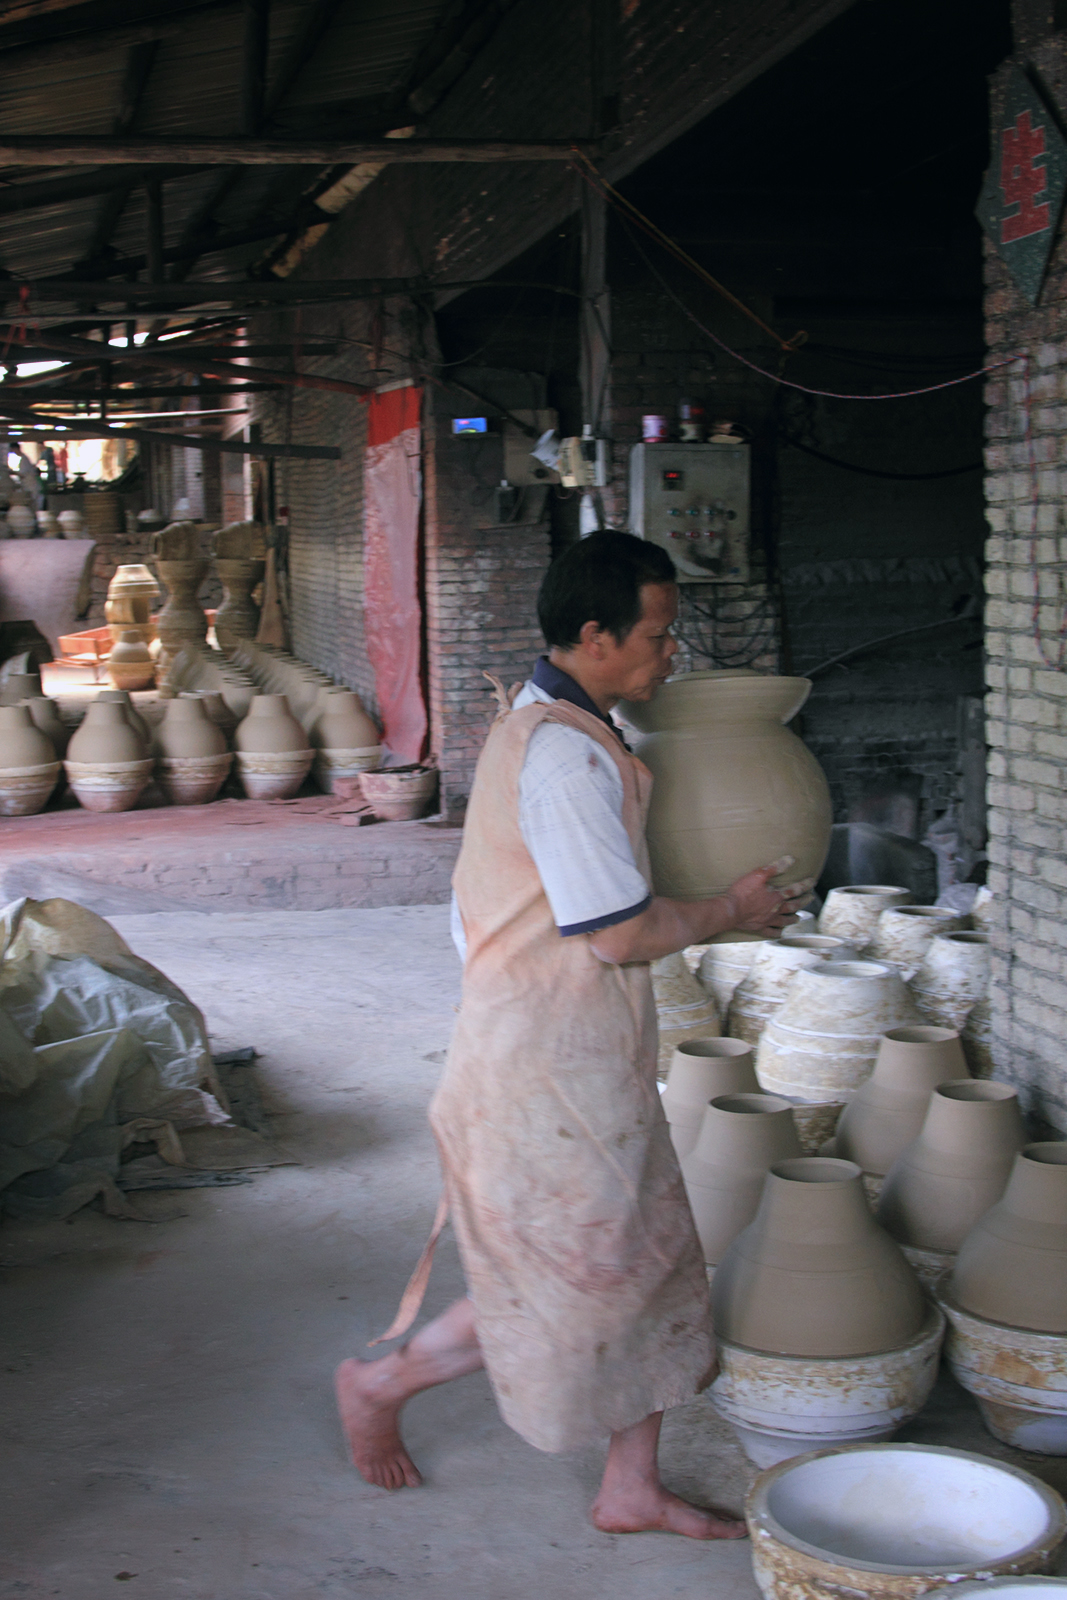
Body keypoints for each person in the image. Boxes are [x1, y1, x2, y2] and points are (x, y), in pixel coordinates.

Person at [337, 531, 812, 1538]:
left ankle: (628, 1486)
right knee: (570, 1280)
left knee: (642, 1265)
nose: (667, 655)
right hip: (536, 1065)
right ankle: (382, 1382)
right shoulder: (561, 759)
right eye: (654, 636)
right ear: (592, 634)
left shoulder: (561, 718)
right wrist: (728, 909)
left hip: (580, 1051)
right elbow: (617, 932)